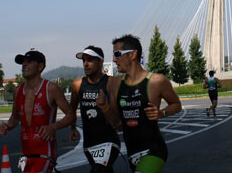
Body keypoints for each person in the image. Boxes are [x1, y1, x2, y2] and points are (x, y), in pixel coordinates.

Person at [97, 34, 182, 173]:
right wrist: (104, 107)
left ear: (132, 55)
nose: (113, 60)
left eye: (117, 54)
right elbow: (118, 125)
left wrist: (162, 113)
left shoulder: (156, 81)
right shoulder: (115, 84)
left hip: (154, 151)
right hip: (132, 152)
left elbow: (176, 104)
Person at [0, 50, 74, 173]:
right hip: (26, 153)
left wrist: (52, 127)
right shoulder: (18, 91)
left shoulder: (51, 89)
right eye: (23, 62)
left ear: (40, 66)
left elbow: (71, 115)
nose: (24, 65)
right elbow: (15, 118)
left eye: (28, 62)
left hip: (45, 152)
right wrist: (7, 126)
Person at [69, 45, 121, 172]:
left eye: (90, 60)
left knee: (99, 170)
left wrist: (105, 107)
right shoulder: (77, 85)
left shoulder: (112, 82)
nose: (86, 64)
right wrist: (73, 128)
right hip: (89, 143)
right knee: (103, 170)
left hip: (109, 140)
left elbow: (117, 118)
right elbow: (72, 110)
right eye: (84, 61)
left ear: (101, 61)